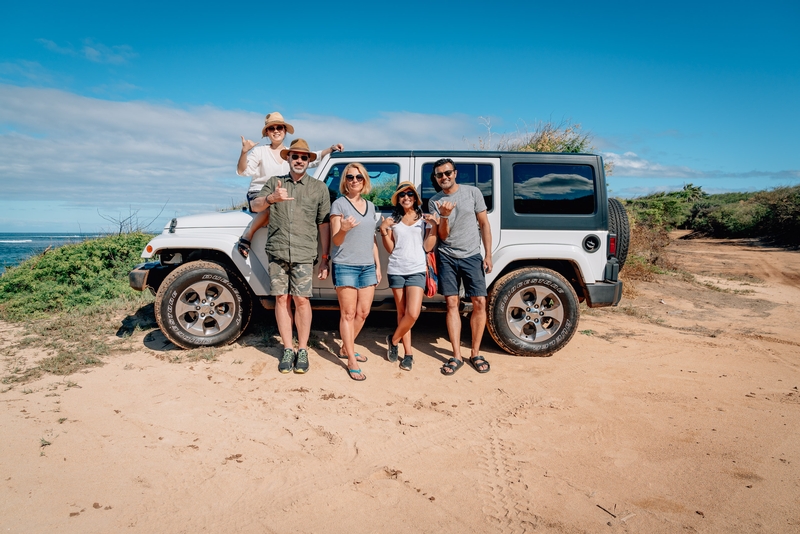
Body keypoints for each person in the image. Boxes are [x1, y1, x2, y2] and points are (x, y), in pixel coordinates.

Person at [251, 138, 331, 374]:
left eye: (303, 157)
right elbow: (256, 206)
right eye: (294, 156)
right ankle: (288, 348)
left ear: (309, 161)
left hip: (304, 252)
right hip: (277, 250)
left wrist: (325, 257)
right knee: (281, 299)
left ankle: (303, 349)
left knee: (302, 300)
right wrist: (270, 199)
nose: (299, 160)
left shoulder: (319, 188)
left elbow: (323, 224)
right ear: (288, 158)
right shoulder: (275, 183)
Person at [236, 112, 343, 258]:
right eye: (271, 128)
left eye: (279, 127)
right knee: (273, 207)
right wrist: (244, 152)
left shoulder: (293, 154)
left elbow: (315, 157)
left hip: (285, 195)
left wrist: (331, 149)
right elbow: (243, 171)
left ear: (285, 131)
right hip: (260, 194)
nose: (276, 131)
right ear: (267, 132)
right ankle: (248, 235)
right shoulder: (260, 152)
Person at [428, 158, 493, 375]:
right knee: (452, 303)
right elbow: (443, 237)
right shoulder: (434, 201)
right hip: (447, 256)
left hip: (472, 255)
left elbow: (484, 223)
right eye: (439, 175)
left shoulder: (472, 192)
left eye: (447, 173)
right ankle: (456, 355)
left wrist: (488, 254)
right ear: (436, 178)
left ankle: (475, 352)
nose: (444, 177)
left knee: (480, 302)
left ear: (455, 173)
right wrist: (444, 216)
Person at [330, 163, 382, 381]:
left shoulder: (370, 206)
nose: (354, 181)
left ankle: (345, 347)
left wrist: (378, 266)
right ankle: (350, 358)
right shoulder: (339, 205)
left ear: (364, 180)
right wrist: (343, 229)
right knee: (348, 314)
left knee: (363, 313)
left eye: (358, 177)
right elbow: (335, 239)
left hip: (367, 266)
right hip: (345, 265)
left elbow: (371, 240)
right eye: (350, 177)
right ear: (345, 181)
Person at [379, 182, 438, 371]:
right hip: (396, 268)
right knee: (402, 313)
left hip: (417, 269)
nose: (406, 197)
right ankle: (408, 354)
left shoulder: (424, 219)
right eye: (402, 195)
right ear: (398, 199)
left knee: (413, 313)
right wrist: (383, 231)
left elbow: (428, 247)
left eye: (410, 194)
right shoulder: (393, 220)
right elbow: (390, 249)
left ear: (415, 198)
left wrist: (435, 227)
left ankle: (393, 339)